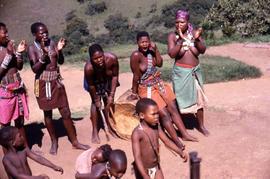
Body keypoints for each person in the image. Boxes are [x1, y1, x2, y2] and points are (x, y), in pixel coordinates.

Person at [27, 22, 89, 155]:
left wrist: (59, 50)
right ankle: (54, 142)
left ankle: (75, 141)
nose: (45, 35)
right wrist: (43, 56)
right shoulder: (32, 48)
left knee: (65, 112)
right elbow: (34, 69)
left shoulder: (52, 43)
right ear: (34, 34)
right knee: (48, 113)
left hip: (56, 81)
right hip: (44, 83)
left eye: (46, 32)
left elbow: (60, 61)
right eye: (41, 33)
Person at [130, 31, 197, 150]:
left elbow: (160, 63)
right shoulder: (136, 56)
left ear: (150, 41)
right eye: (142, 42)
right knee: (164, 113)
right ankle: (176, 140)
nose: (145, 44)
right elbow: (136, 76)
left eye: (147, 42)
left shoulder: (151, 52)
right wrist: (134, 93)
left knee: (173, 108)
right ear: (138, 43)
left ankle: (185, 134)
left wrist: (155, 50)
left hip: (159, 83)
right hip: (147, 88)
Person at [167, 10, 210, 136]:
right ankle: (181, 128)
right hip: (181, 73)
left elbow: (202, 50)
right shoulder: (172, 36)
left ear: (187, 22)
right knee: (179, 100)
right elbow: (172, 54)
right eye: (177, 22)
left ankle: (201, 126)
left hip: (195, 71)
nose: (179, 24)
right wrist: (180, 40)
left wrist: (196, 40)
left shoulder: (194, 34)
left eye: (182, 22)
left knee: (199, 99)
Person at [131, 98, 188, 179]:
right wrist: (144, 175)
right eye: (153, 114)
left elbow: (166, 141)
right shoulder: (137, 133)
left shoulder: (156, 126)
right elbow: (137, 157)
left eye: (157, 113)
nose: (157, 116)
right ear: (142, 115)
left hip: (156, 166)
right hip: (143, 170)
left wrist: (180, 152)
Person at [0, 22, 29, 147]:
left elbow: (19, 67)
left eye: (7, 32)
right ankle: (8, 151)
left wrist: (19, 53)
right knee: (5, 123)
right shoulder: (5, 50)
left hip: (18, 88)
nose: (7, 34)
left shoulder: (9, 45)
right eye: (4, 32)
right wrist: (9, 55)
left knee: (20, 121)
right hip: (4, 90)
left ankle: (25, 148)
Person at [84, 44, 119, 143]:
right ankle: (95, 131)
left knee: (107, 100)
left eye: (101, 57)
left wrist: (111, 95)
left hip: (107, 78)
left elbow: (115, 76)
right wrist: (96, 99)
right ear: (91, 59)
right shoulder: (89, 68)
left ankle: (109, 127)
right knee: (95, 104)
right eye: (95, 59)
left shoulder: (112, 59)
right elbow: (91, 86)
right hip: (93, 83)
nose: (99, 60)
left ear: (104, 54)